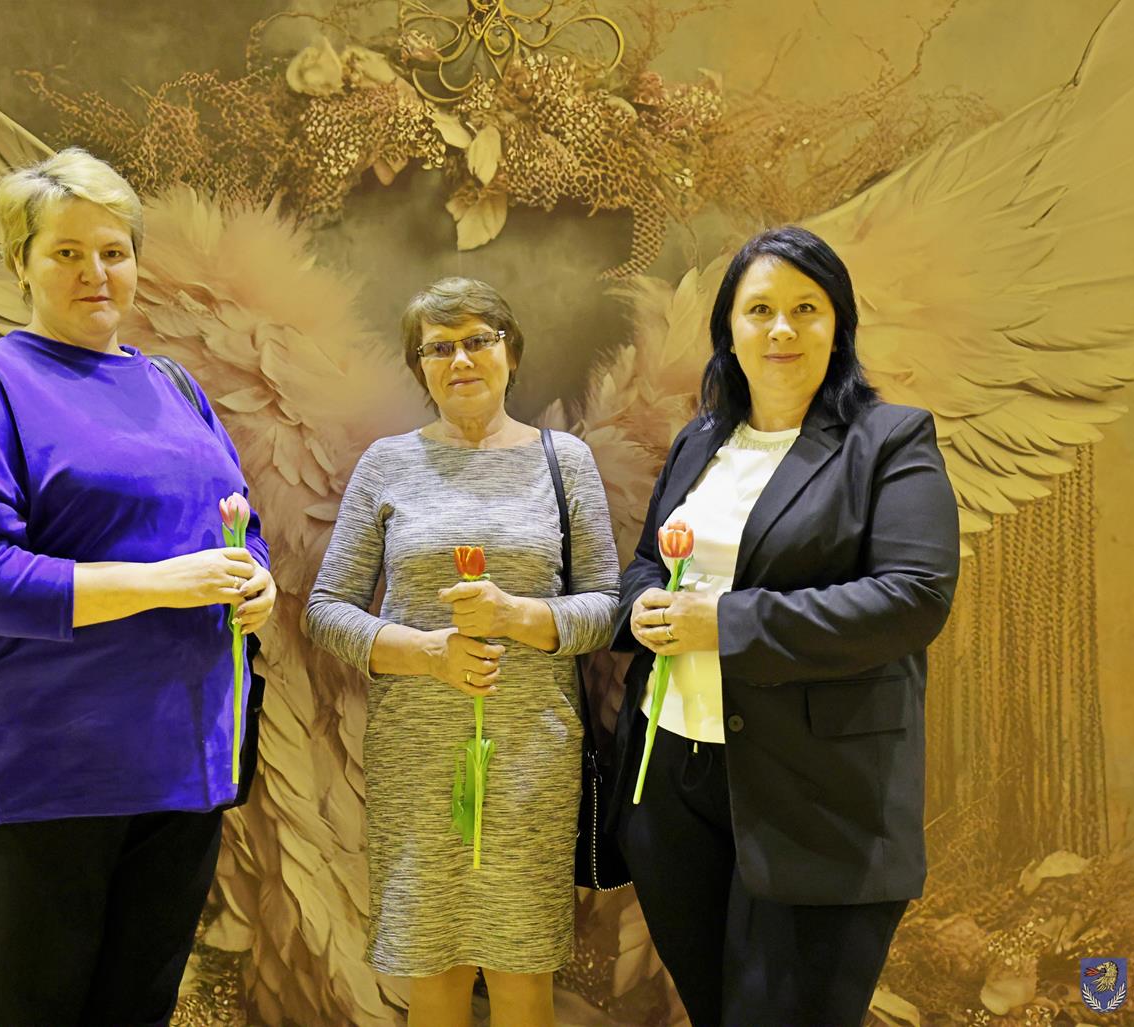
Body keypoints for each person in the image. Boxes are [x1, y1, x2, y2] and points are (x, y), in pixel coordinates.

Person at [0, 147, 277, 1026]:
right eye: (67, 252)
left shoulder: (174, 386)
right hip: (53, 772)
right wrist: (157, 584)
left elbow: (237, 523)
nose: (95, 272)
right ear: (21, 262)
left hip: (185, 768)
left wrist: (255, 577)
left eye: (113, 251)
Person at [612, 225, 960, 1026]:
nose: (781, 328)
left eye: (806, 308)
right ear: (728, 330)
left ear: (837, 325)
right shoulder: (700, 440)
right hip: (673, 783)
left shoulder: (888, 441)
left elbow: (912, 598)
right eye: (759, 309)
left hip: (817, 795)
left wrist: (724, 622)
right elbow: (648, 560)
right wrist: (643, 603)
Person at [304, 278, 620, 1027]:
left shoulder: (564, 460)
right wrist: (424, 652)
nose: (461, 360)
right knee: (434, 967)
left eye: (478, 340)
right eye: (438, 348)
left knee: (521, 969)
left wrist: (518, 616)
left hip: (531, 756)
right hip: (417, 758)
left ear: (511, 351)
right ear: (420, 367)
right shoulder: (387, 464)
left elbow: (608, 608)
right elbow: (325, 609)